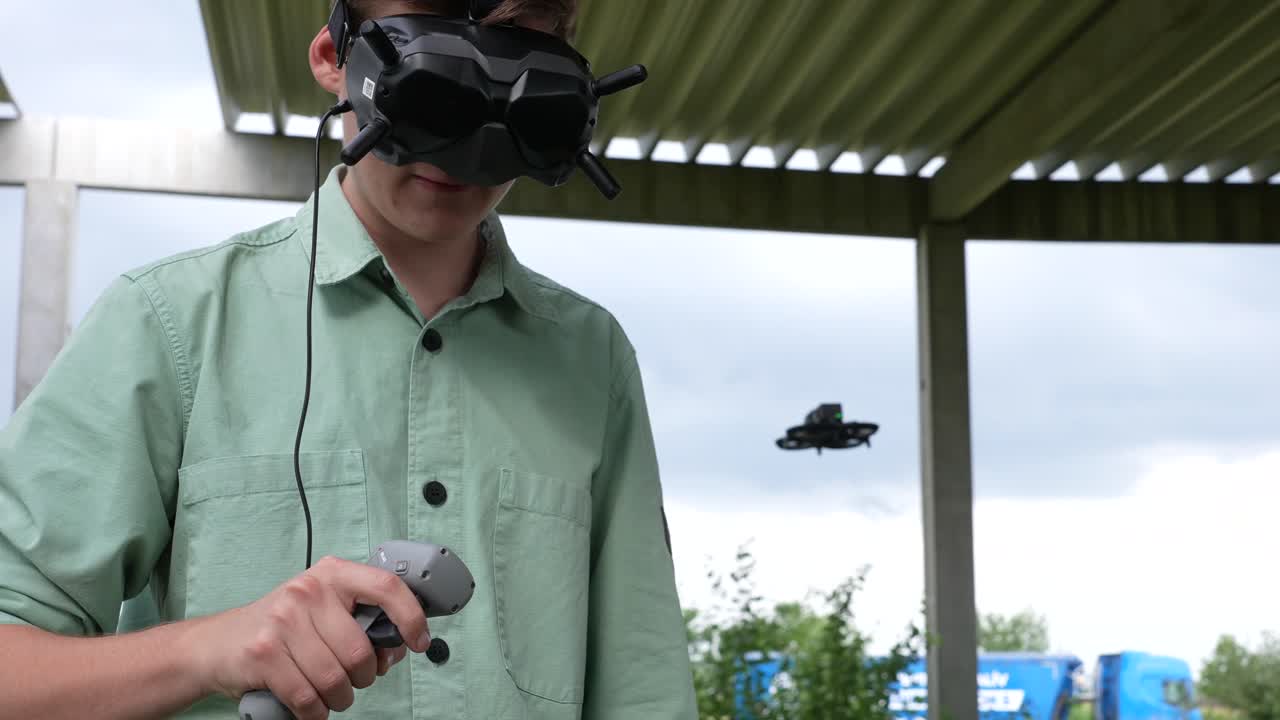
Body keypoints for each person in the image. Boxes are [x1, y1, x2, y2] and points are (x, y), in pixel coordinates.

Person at [0, 0, 697, 718]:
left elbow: (643, 691)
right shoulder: (169, 322)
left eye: (512, 99)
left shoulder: (590, 357)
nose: (456, 151)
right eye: (428, 88)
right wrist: (207, 649)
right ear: (334, 59)